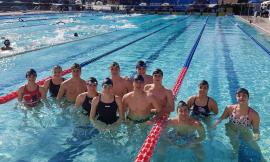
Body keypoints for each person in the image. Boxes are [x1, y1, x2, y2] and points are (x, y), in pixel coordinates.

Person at [212, 88, 261, 153]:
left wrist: (256, 135)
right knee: (235, 145)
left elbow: (256, 129)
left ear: (248, 98)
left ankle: (262, 158)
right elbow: (221, 118)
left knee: (254, 145)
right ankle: (235, 156)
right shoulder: (229, 108)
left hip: (245, 131)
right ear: (236, 97)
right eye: (239, 95)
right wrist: (215, 123)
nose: (241, 97)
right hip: (231, 128)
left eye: (244, 95)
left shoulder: (254, 115)